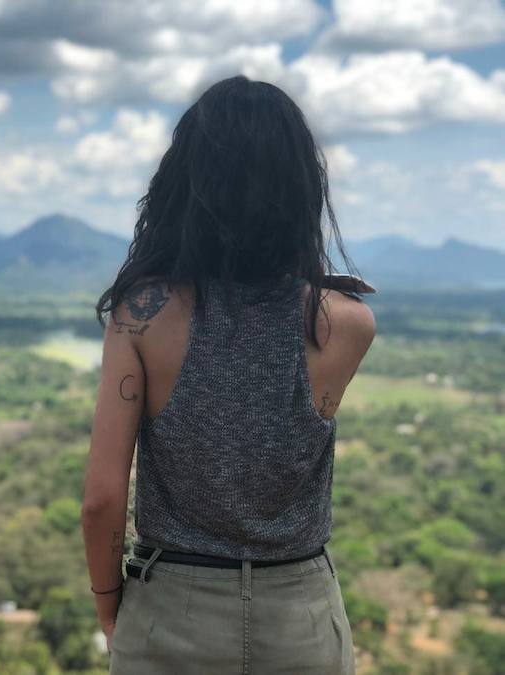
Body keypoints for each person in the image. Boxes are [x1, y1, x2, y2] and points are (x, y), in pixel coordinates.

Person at [81, 74, 376, 674]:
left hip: (171, 609)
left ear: (184, 185)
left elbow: (102, 499)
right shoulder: (345, 324)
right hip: (300, 617)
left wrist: (111, 605)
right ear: (301, 190)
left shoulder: (142, 314)